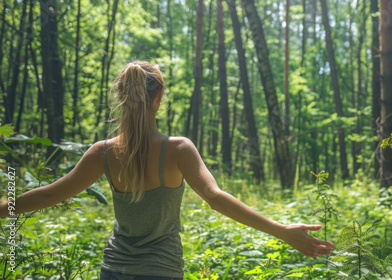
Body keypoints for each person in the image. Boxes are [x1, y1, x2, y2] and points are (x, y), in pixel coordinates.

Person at [0, 61, 333, 279]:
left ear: (121, 96)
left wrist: (3, 208)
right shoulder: (178, 149)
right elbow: (216, 198)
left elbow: (51, 193)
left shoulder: (103, 153)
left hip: (113, 269)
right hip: (161, 270)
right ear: (159, 96)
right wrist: (283, 232)